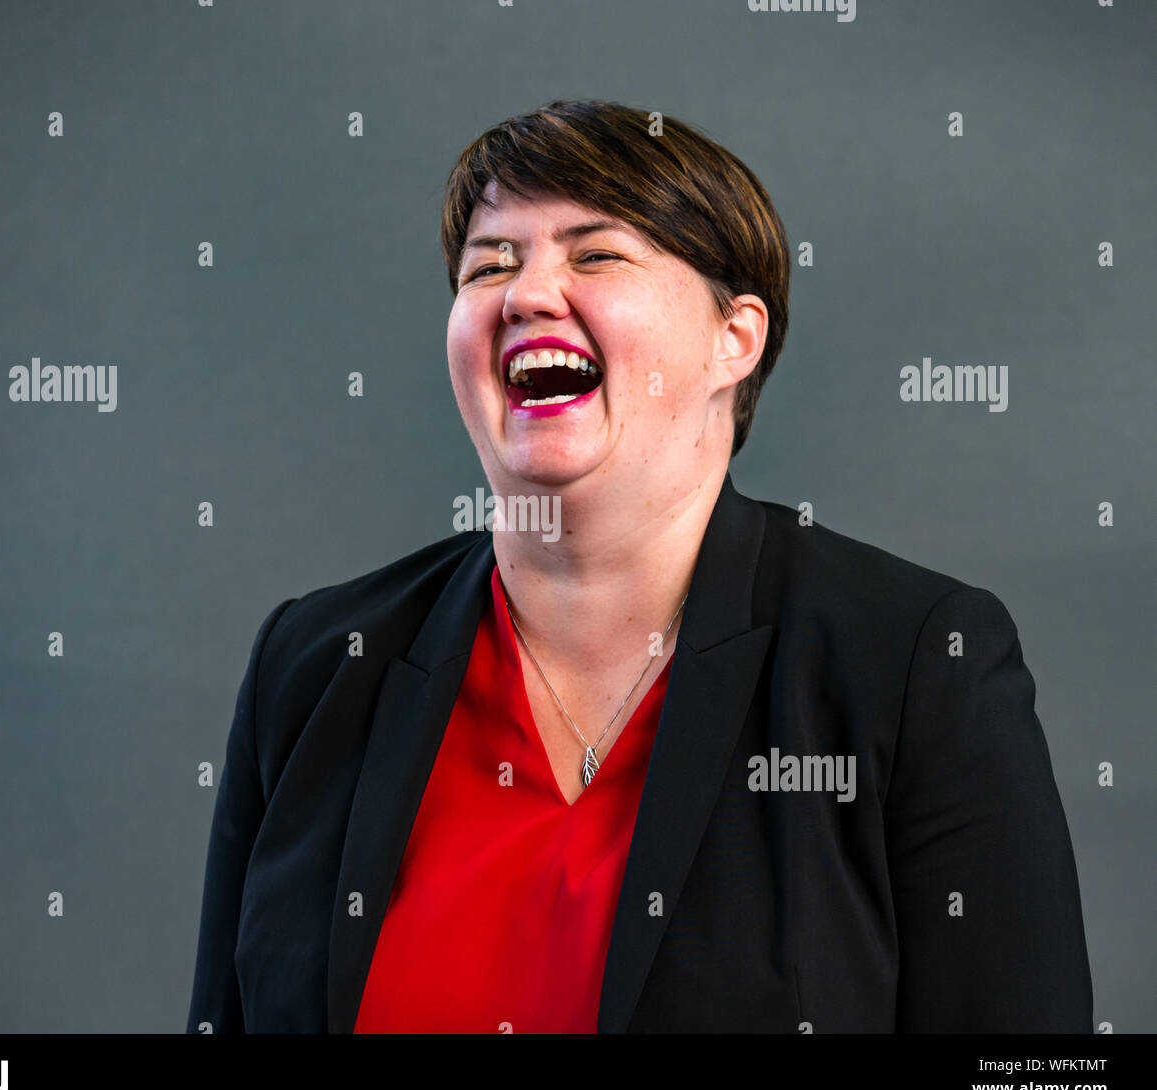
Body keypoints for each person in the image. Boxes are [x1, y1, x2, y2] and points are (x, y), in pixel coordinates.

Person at [186, 99, 1092, 1033]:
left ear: (732, 340)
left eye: (596, 254)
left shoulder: (914, 663)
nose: (526, 294)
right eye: (488, 264)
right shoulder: (315, 663)